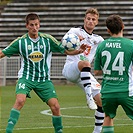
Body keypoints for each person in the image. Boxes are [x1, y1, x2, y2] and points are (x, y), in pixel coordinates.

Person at [0, 13, 86, 133]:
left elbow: (64, 50)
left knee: (55, 107)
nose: (34, 28)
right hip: (26, 77)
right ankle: (8, 131)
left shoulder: (47, 40)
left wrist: (78, 51)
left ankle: (59, 131)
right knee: (20, 101)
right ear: (27, 26)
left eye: (36, 25)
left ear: (39, 25)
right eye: (31, 25)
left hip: (43, 80)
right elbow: (2, 53)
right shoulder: (20, 42)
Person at [62, 8, 104, 133]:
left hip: (85, 73)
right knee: (85, 63)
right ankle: (89, 97)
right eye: (88, 19)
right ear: (84, 19)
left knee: (102, 101)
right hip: (71, 68)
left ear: (96, 22)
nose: (90, 21)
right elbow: (64, 49)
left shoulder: (99, 40)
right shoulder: (75, 31)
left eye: (93, 19)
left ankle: (97, 131)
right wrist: (77, 50)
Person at [94, 14, 133, 133]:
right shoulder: (131, 44)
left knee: (108, 116)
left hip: (108, 91)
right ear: (123, 26)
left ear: (108, 30)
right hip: (127, 90)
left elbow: (96, 71)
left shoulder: (101, 45)